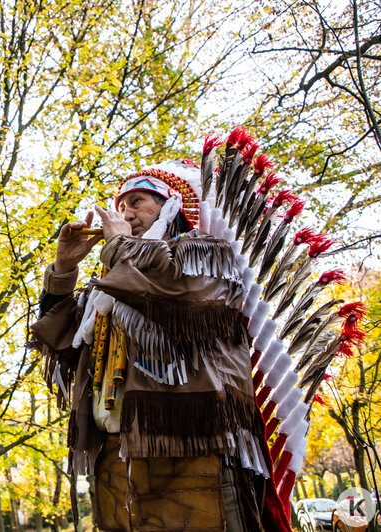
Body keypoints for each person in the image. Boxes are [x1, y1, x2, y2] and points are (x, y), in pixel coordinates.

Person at [31, 161, 275, 531]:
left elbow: (174, 290)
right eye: (121, 205)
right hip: (118, 458)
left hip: (195, 452)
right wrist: (63, 270)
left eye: (137, 201)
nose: (124, 213)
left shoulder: (204, 253)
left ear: (172, 206)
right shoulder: (110, 288)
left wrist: (118, 245)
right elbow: (63, 343)